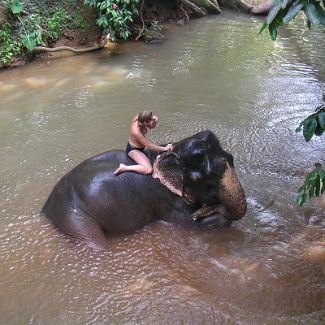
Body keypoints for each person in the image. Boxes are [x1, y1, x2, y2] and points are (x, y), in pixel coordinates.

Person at [114, 111, 173, 175]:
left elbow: (151, 126)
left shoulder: (140, 118)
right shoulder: (136, 132)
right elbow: (149, 146)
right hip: (134, 150)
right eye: (150, 120)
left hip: (141, 148)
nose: (151, 120)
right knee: (148, 170)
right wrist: (165, 148)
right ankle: (124, 168)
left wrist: (155, 122)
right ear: (145, 122)